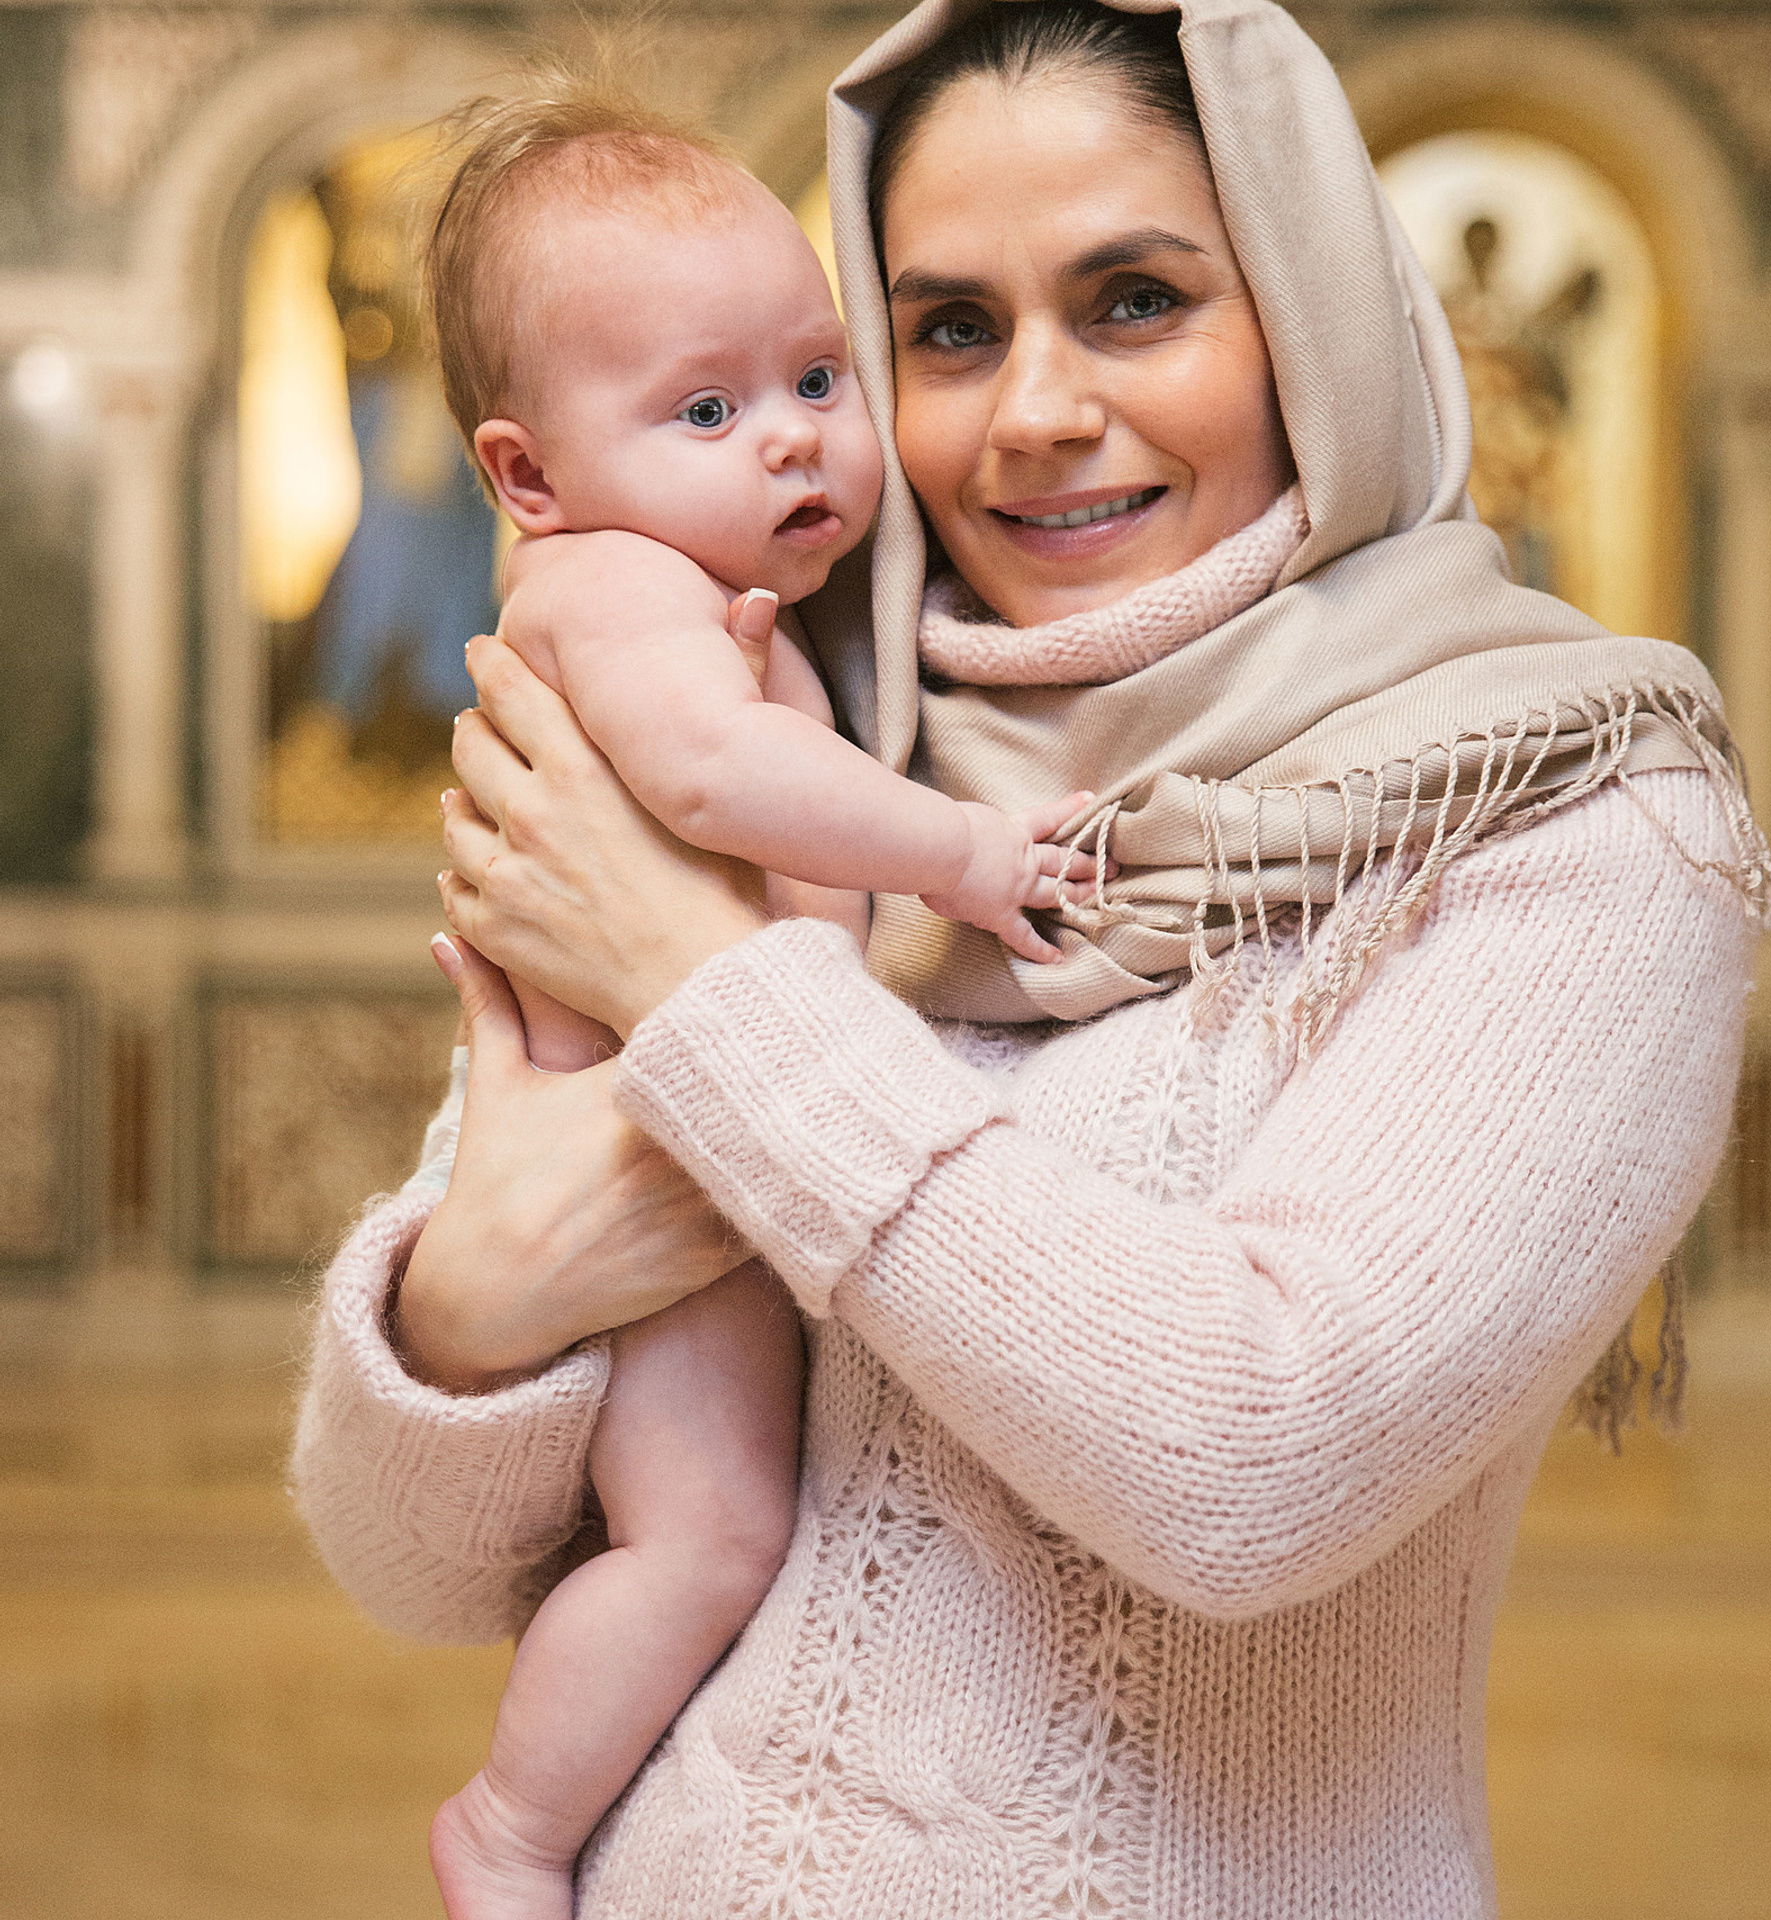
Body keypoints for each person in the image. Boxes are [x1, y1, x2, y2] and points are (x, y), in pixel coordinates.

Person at [294, 2, 1771, 1914]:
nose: (1033, 413)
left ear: (1312, 308)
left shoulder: (1566, 805)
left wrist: (706, 1002)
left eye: (1139, 299)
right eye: (948, 329)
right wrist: (470, 1301)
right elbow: (406, 1564)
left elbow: (1254, 1460)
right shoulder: (801, 740)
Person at [410, 74, 1101, 1918]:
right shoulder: (616, 587)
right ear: (528, 476)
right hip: (668, 1191)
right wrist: (962, 859)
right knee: (707, 1540)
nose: (793, 445)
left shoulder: (739, 591)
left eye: (816, 378)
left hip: (727, 1168)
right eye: (707, 410)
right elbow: (715, 788)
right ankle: (515, 1828)